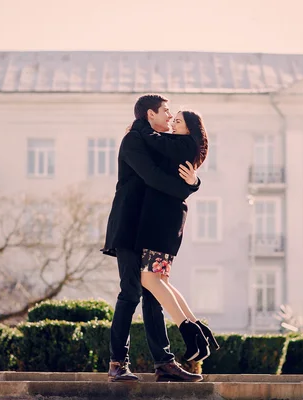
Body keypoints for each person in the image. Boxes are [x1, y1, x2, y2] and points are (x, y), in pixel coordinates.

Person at [102, 94, 203, 383]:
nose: (170, 116)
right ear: (150, 114)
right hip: (129, 227)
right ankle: (118, 363)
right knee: (130, 292)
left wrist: (194, 182)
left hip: (149, 228)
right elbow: (152, 177)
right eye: (166, 111)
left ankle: (164, 365)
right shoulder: (133, 141)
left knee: (152, 294)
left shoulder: (155, 139)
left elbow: (181, 167)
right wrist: (186, 190)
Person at [133, 110, 220, 364]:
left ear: (189, 129)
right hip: (169, 222)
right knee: (161, 280)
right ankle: (197, 330)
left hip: (161, 222)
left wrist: (140, 125)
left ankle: (190, 331)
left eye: (178, 121)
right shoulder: (185, 146)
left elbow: (153, 139)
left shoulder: (179, 144)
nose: (172, 123)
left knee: (149, 279)